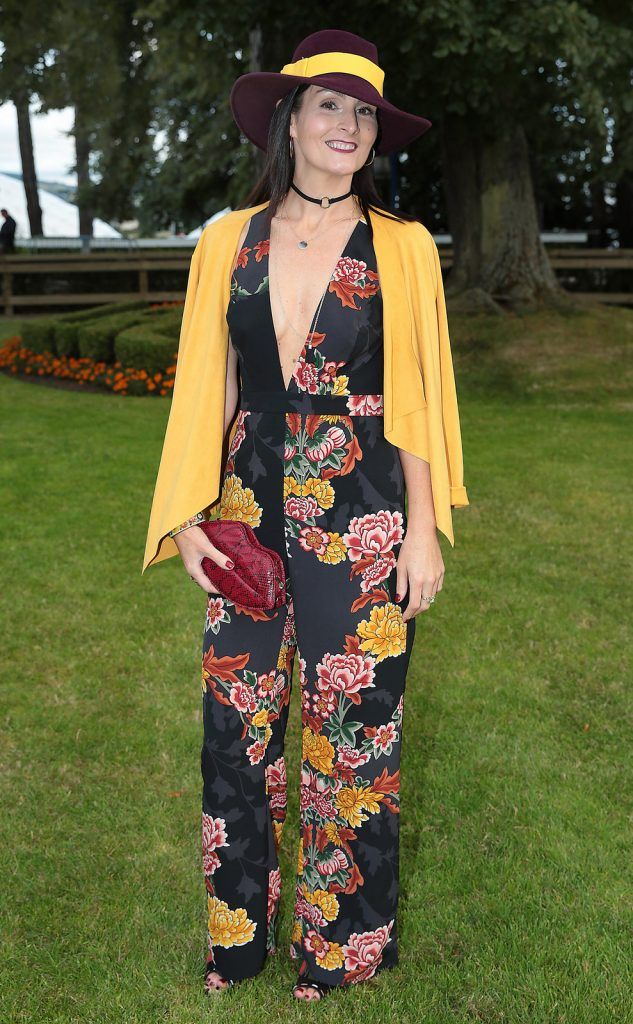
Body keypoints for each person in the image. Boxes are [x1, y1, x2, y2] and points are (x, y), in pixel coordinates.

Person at [142, 29, 469, 1002]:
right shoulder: (224, 243)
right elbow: (208, 387)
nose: (349, 124)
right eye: (330, 104)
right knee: (236, 733)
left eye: (364, 111)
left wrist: (419, 526)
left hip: (361, 515)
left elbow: (417, 396)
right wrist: (192, 516)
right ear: (286, 120)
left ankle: (341, 949)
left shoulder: (402, 250)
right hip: (245, 513)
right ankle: (236, 937)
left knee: (354, 737)